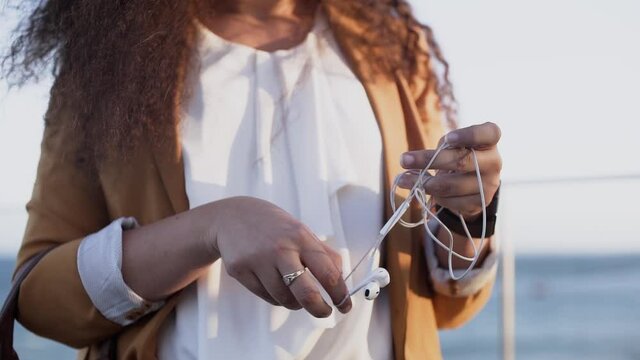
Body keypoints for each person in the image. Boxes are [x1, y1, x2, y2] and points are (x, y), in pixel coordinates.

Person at [3, 0, 502, 359]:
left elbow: (446, 309)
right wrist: (210, 228)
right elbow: (42, 302)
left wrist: (471, 215)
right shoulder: (112, 53)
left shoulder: (386, 44)